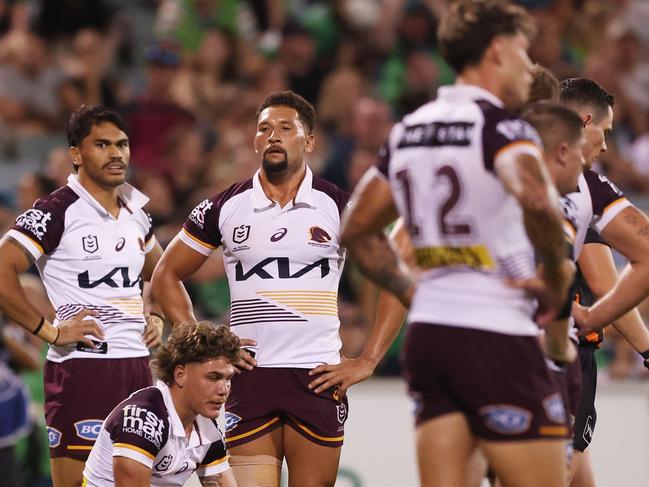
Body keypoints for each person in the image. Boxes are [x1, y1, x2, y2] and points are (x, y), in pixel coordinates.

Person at [333, 1, 576, 486]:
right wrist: (554, 276)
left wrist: (411, 289)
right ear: (497, 51)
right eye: (525, 54)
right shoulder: (504, 128)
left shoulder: (407, 130)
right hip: (496, 332)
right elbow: (538, 201)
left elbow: (356, 228)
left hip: (430, 336)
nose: (530, 68)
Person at [151, 90, 351, 487]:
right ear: (255, 140)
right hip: (249, 376)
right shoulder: (226, 206)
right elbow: (164, 276)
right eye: (264, 128)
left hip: (317, 377)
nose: (273, 135)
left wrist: (370, 359)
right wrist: (203, 344)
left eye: (285, 127)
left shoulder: (339, 205)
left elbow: (395, 274)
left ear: (308, 141)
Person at [0, 106, 164, 487]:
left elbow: (162, 272)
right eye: (102, 144)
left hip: (138, 367)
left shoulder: (136, 212)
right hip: (83, 368)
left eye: (122, 144)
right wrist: (51, 333)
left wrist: (155, 313)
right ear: (76, 154)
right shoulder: (57, 211)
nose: (116, 154)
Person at [555, 77, 649, 487]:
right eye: (605, 133)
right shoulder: (577, 187)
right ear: (586, 121)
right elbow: (606, 281)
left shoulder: (503, 166)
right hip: (563, 355)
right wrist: (647, 349)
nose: (606, 146)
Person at [82, 321, 239, 486]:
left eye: (228, 378)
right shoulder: (142, 418)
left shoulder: (206, 427)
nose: (224, 390)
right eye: (213, 377)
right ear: (180, 374)